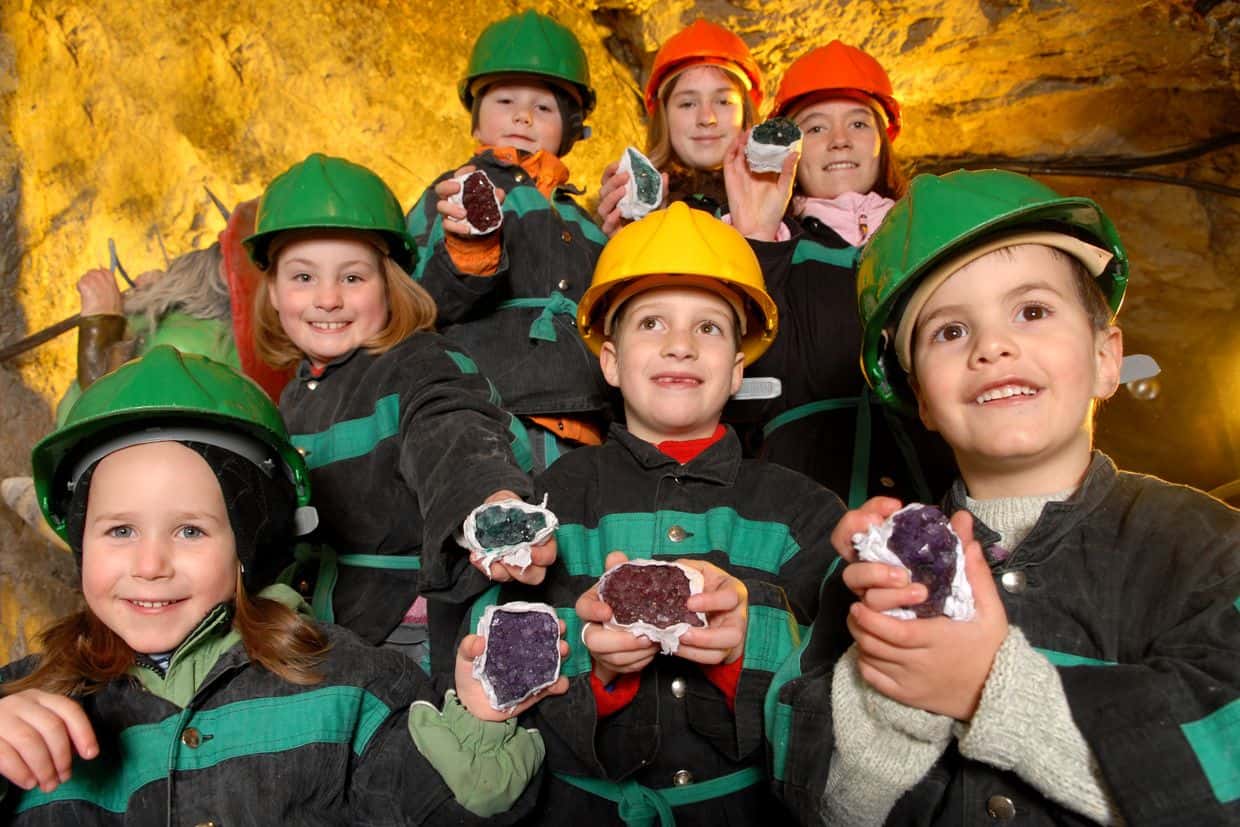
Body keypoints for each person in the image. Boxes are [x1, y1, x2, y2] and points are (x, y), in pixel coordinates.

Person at [768, 169, 1240, 825]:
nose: (993, 345)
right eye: (950, 331)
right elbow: (821, 800)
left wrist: (993, 686)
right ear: (920, 398)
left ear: (1107, 355)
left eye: (1033, 310)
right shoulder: (868, 577)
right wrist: (891, 700)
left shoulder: (1211, 549)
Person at [0, 346, 567, 824]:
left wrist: (479, 728)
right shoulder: (19, 702)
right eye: (120, 530)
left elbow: (432, 812)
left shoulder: (352, 686)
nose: (151, 564)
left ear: (249, 549)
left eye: (191, 531)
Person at [467, 203, 847, 824]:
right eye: (651, 323)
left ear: (737, 370)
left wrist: (743, 651)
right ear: (611, 362)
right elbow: (505, 651)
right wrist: (597, 665)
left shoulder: (804, 510)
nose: (679, 345)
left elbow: (834, 682)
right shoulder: (555, 497)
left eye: (708, 329)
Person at [248, 153, 548, 673]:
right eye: (302, 277)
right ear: (273, 292)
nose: (327, 299)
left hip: (403, 632)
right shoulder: (294, 397)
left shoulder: (416, 363)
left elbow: (449, 431)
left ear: (390, 285)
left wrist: (488, 504)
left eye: (352, 278)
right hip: (319, 624)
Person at [721, 39, 955, 507]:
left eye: (858, 123)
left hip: (935, 485)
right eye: (816, 127)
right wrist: (756, 236)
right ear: (791, 151)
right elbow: (740, 371)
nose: (840, 140)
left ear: (883, 141)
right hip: (803, 498)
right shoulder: (765, 241)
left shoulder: (932, 237)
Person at [406, 9, 611, 472]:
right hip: (490, 413)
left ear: (572, 128)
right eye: (505, 101)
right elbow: (414, 296)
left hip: (586, 423)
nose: (523, 114)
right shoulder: (455, 192)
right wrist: (469, 245)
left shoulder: (586, 223)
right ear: (476, 122)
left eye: (543, 107)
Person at [597, 18, 763, 235]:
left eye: (723, 101)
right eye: (687, 104)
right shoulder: (633, 204)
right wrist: (625, 245)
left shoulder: (785, 203)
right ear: (664, 119)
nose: (707, 118)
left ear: (746, 113)